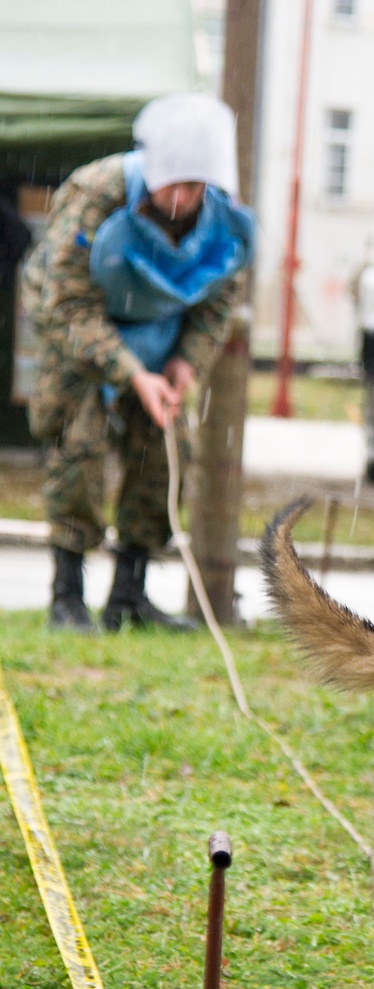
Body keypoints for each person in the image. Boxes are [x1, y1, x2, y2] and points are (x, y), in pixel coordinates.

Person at [21, 93, 255, 632]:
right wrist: (130, 373)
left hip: (159, 337)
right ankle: (67, 596)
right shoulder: (94, 194)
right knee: (75, 447)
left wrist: (183, 365)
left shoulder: (223, 219)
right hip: (78, 333)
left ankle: (130, 595)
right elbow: (67, 302)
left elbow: (220, 296)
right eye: (173, 185)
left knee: (167, 455)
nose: (181, 200)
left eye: (194, 188)